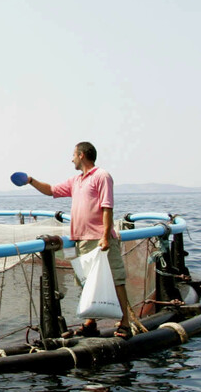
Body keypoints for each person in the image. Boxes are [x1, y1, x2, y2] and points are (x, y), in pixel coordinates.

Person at [25, 142, 133, 339]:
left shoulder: (102, 176)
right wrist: (31, 180)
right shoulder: (76, 181)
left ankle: (125, 323)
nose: (71, 159)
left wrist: (105, 236)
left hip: (99, 239)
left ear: (82, 155)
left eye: (73, 155)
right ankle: (91, 322)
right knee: (86, 283)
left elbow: (107, 207)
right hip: (81, 240)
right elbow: (51, 190)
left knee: (116, 280)